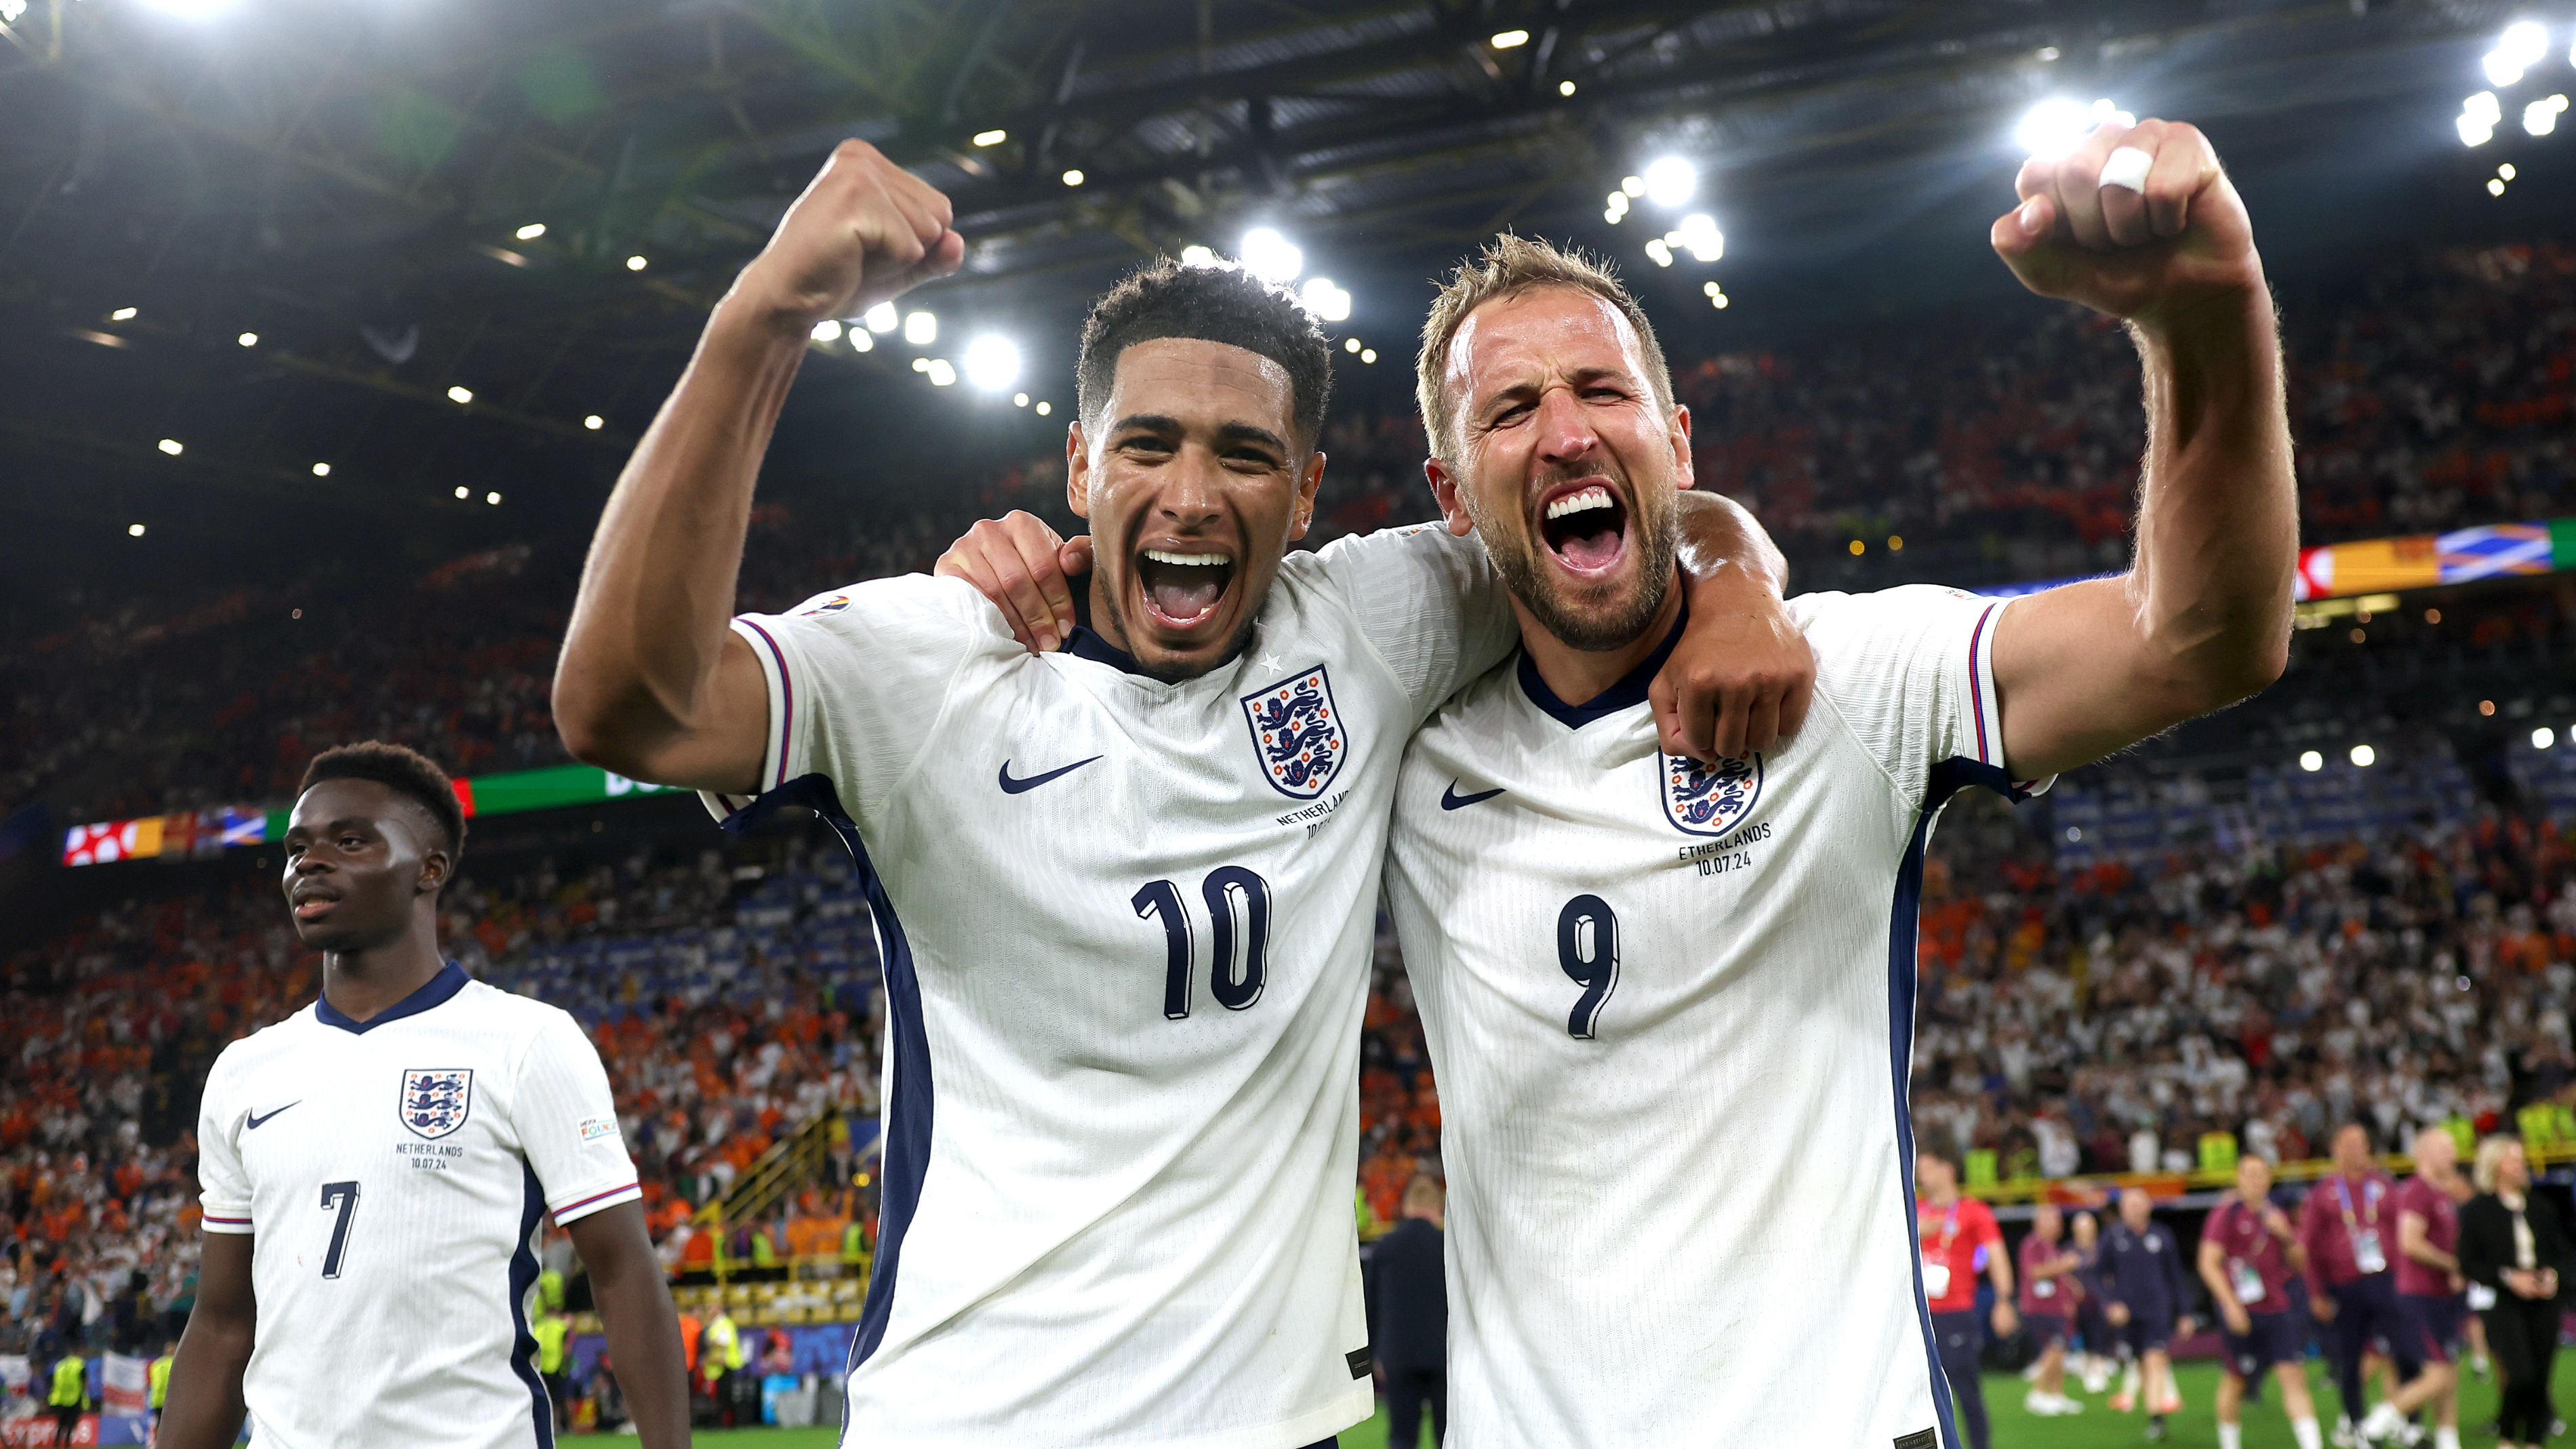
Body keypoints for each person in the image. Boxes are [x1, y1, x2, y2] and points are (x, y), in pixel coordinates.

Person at [951, 110, 2293, 1446]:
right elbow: (1158, 707)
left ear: (1679, 440)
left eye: (1602, 392)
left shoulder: (1850, 686)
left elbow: (2200, 641)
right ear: (1452, 498)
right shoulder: (1402, 739)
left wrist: (2203, 315)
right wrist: (1007, 591)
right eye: (1511, 408)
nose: (1565, 433)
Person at [552, 138, 1806, 1448]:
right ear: (1082, 466)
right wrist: (766, 315)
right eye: (1148, 445)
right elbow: (624, 707)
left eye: (1247, 454)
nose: (1194, 494)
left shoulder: (1370, 622)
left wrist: (1738, 583)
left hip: (1283, 1424)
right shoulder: (932, 655)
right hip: (979, 1421)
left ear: (1309, 490)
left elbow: (1628, 507)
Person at [156, 743, 692, 1449]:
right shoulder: (244, 1071)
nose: (308, 862)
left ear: (429, 869)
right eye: (298, 846)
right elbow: (225, 1322)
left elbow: (621, 1269)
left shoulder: (526, 1041)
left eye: (350, 840)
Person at [2301, 1123, 2442, 1437]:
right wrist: (2315, 1293)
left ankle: (2409, 1423)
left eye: (2362, 1143)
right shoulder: (2323, 1193)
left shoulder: (2383, 1185)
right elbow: (2308, 1247)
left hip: (2387, 1280)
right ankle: (2354, 1423)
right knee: (2350, 1358)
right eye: (2349, 1144)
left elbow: (2403, 1232)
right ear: (2336, 1148)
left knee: (2405, 1350)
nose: (2357, 1150)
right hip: (2345, 1284)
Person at [2199, 1154, 2324, 1449]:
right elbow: (2208, 1262)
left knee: (2293, 1376)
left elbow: (2299, 1264)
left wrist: (2288, 1236)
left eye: (2261, 1174)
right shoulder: (2226, 1214)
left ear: (2269, 1179)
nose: (2256, 1180)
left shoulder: (2276, 1215)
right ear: (2239, 1178)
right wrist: (2230, 1304)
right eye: (2249, 1174)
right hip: (2240, 1309)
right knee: (2236, 1380)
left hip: (2276, 1307)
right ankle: (2230, 1444)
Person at [2459, 1135, 2573, 1449]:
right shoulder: (2477, 1210)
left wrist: (2552, 1276)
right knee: (2519, 1373)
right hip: (2505, 1301)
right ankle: (2508, 1437)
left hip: (2545, 1301)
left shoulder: (2542, 1207)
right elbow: (2469, 1262)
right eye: (2513, 1159)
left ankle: (2535, 1440)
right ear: (2495, 1165)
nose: (2521, 1165)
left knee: (2540, 1375)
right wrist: (2510, 1278)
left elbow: (2564, 1253)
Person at [1919, 1151, 2015, 1448]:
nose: (1921, 1176)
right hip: (1918, 1314)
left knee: (1966, 1389)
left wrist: (2004, 1300)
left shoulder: (1974, 1211)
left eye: (1927, 1168)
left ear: (1947, 1169)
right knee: (1920, 1393)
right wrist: (1915, 1230)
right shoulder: (1914, 1211)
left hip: (1956, 1312)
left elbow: (1997, 1256)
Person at [2386, 1127, 2472, 1449]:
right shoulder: (2417, 1191)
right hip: (2420, 1294)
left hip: (2441, 1294)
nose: (2453, 1153)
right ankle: (2373, 1428)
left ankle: (2448, 1441)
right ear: (2425, 1154)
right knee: (2439, 1373)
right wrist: (2452, 1265)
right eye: (2445, 1147)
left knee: (2449, 1372)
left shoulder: (2441, 1193)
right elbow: (2410, 1243)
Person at [2098, 1188, 2196, 1441]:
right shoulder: (2112, 1237)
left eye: (2139, 1204)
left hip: (2157, 1310)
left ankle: (2157, 1419)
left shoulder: (2161, 1236)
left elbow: (2176, 1276)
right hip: (2128, 1315)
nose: (2134, 1209)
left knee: (2155, 1358)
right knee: (2141, 1362)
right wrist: (2110, 1304)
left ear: (2149, 1206)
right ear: (2122, 1209)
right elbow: (2097, 1275)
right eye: (2129, 1204)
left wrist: (2185, 1312)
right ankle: (2153, 1413)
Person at [1369, 1177, 1447, 1448]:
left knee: (1402, 1438)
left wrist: (1374, 1355)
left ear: (1405, 1207)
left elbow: (1371, 1305)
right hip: (1443, 1356)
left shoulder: (1386, 1246)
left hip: (1397, 1356)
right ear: (1438, 1208)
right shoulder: (1447, 1246)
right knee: (1449, 1437)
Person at [2018, 1202, 2086, 1416]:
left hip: (2056, 1309)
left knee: (2061, 1351)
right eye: (2052, 1220)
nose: (2057, 1225)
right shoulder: (2032, 1245)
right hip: (2038, 1307)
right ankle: (2037, 1393)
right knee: (2053, 1350)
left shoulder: (2053, 1248)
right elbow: (2035, 1272)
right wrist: (2065, 1265)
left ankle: (2056, 1395)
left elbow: (2059, 1276)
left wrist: (2072, 1289)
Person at [2070, 1210, 2116, 1393]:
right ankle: (2085, 1368)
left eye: (2090, 1227)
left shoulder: (2102, 1249)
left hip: (2100, 1304)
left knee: (2100, 1339)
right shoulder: (2070, 1250)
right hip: (2076, 1306)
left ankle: (2098, 1373)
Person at [46, 1347, 84, 1447]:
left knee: (61, 1424)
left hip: (60, 1399)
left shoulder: (59, 1365)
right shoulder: (79, 1365)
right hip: (74, 1399)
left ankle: (57, 1444)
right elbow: (84, 1381)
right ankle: (67, 1444)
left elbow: (52, 1381)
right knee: (71, 1424)